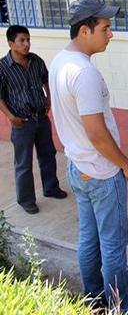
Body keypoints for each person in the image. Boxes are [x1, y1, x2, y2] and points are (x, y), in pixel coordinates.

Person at [49, 0, 128, 312]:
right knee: (113, 247)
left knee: (89, 240)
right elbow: (97, 134)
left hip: (78, 168)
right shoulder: (84, 73)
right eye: (105, 28)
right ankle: (122, 306)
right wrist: (125, 164)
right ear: (84, 30)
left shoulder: (60, 61)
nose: (110, 34)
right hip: (101, 172)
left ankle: (94, 299)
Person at [0, 25, 66, 214]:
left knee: (48, 155)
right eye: (22, 40)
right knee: (23, 163)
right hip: (22, 122)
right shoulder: (3, 68)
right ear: (11, 43)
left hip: (41, 118)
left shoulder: (36, 60)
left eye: (28, 39)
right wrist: (12, 118)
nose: (26, 44)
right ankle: (26, 200)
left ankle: (51, 188)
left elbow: (46, 79)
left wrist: (48, 99)